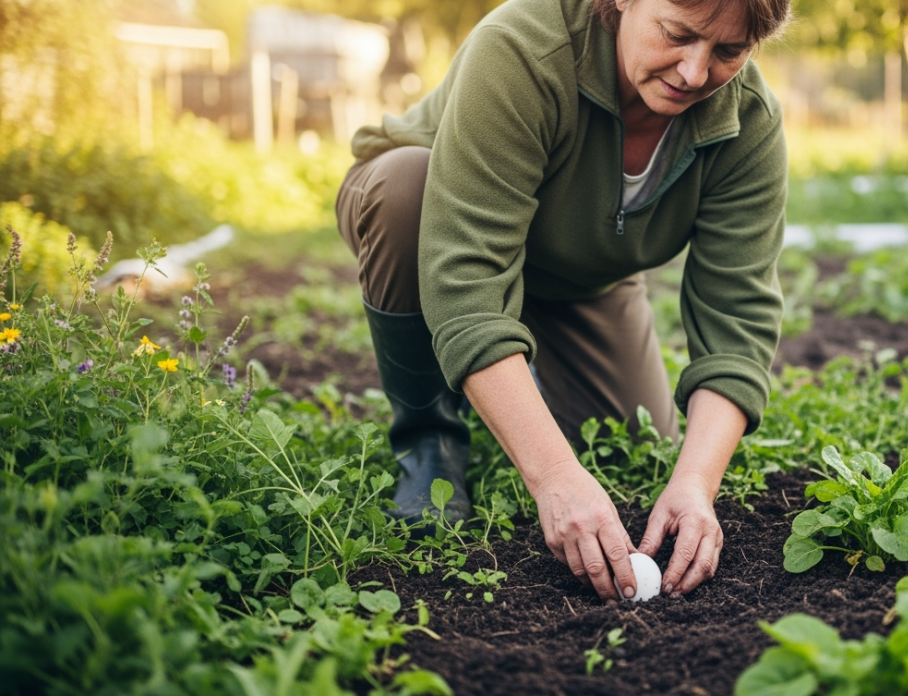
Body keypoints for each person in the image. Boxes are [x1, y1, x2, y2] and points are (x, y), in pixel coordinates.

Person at [336, 0, 790, 604]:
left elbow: (738, 319)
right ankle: (429, 438)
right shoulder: (524, 49)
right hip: (436, 232)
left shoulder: (747, 122)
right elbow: (466, 278)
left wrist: (696, 485)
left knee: (633, 436)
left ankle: (508, 387)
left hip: (580, 279)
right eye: (678, 35)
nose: (693, 73)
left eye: (728, 52)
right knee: (405, 188)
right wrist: (552, 476)